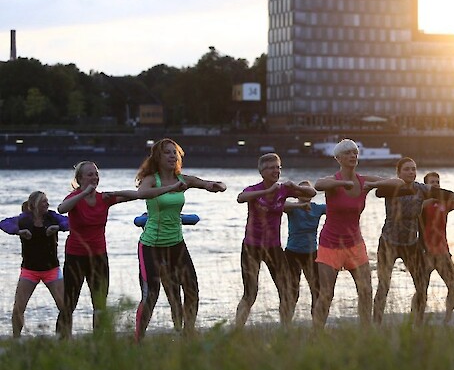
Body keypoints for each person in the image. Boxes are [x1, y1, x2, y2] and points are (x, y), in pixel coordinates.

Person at [56, 160, 184, 338]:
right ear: (79, 178)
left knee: (99, 303)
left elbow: (138, 195)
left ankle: (98, 341)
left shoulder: (103, 199)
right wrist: (83, 193)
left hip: (99, 257)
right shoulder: (74, 198)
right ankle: (62, 340)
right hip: (75, 257)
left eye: (96, 174)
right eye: (90, 174)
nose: (94, 177)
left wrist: (116, 193)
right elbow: (62, 209)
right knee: (69, 302)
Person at [134, 138, 227, 341]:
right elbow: (141, 193)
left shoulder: (183, 179)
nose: (172, 156)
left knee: (192, 287)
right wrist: (170, 188)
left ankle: (188, 332)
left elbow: (207, 184)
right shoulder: (152, 179)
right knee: (151, 295)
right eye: (167, 152)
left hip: (176, 243)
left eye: (174, 152)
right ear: (158, 157)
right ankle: (137, 339)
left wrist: (217, 185)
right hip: (151, 245)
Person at [312, 139, 405, 328]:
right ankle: (316, 334)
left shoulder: (363, 180)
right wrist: (342, 184)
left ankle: (366, 332)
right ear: (338, 158)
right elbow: (318, 185)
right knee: (326, 294)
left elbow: (399, 182)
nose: (352, 156)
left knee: (366, 291)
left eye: (355, 152)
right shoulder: (333, 182)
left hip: (355, 244)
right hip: (330, 244)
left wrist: (374, 186)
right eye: (347, 153)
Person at [372, 157, 454, 325]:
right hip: (389, 242)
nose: (411, 172)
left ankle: (417, 323)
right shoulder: (393, 187)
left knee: (420, 285)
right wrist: (404, 189)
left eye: (413, 169)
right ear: (399, 172)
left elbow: (451, 195)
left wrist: (433, 193)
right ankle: (376, 323)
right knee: (384, 285)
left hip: (411, 244)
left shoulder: (421, 188)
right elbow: (378, 192)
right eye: (407, 169)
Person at [234, 153, 316, 328]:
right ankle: (237, 330)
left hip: (274, 248)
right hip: (252, 247)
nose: (276, 171)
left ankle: (284, 328)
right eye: (271, 167)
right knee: (251, 293)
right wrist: (267, 191)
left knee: (287, 291)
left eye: (278, 167)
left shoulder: (284, 190)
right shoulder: (254, 189)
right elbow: (240, 198)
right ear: (262, 172)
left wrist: (294, 186)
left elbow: (312, 193)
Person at [0, 191, 70, 338]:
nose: (47, 204)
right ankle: (16, 339)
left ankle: (66, 337)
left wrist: (58, 228)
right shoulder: (24, 219)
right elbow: (4, 223)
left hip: (52, 269)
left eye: (47, 201)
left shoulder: (52, 217)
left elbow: (69, 222)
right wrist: (18, 231)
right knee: (18, 308)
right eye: (44, 201)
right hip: (29, 270)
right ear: (34, 205)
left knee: (64, 307)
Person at [419, 172, 454, 324]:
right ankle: (417, 319)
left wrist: (450, 200)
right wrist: (429, 199)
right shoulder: (421, 202)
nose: (435, 184)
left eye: (437, 182)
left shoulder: (444, 203)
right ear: (425, 185)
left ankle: (447, 318)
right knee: (422, 289)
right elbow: (414, 208)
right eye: (432, 182)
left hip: (443, 252)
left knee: (453, 285)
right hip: (425, 252)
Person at [283, 180, 326, 320]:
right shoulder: (293, 208)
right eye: (302, 191)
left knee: (317, 290)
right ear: (297, 195)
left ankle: (316, 322)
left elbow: (336, 208)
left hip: (311, 254)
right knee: (292, 290)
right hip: (292, 253)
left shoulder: (318, 208)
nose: (305, 194)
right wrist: (300, 206)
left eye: (308, 191)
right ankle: (286, 323)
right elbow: (280, 206)